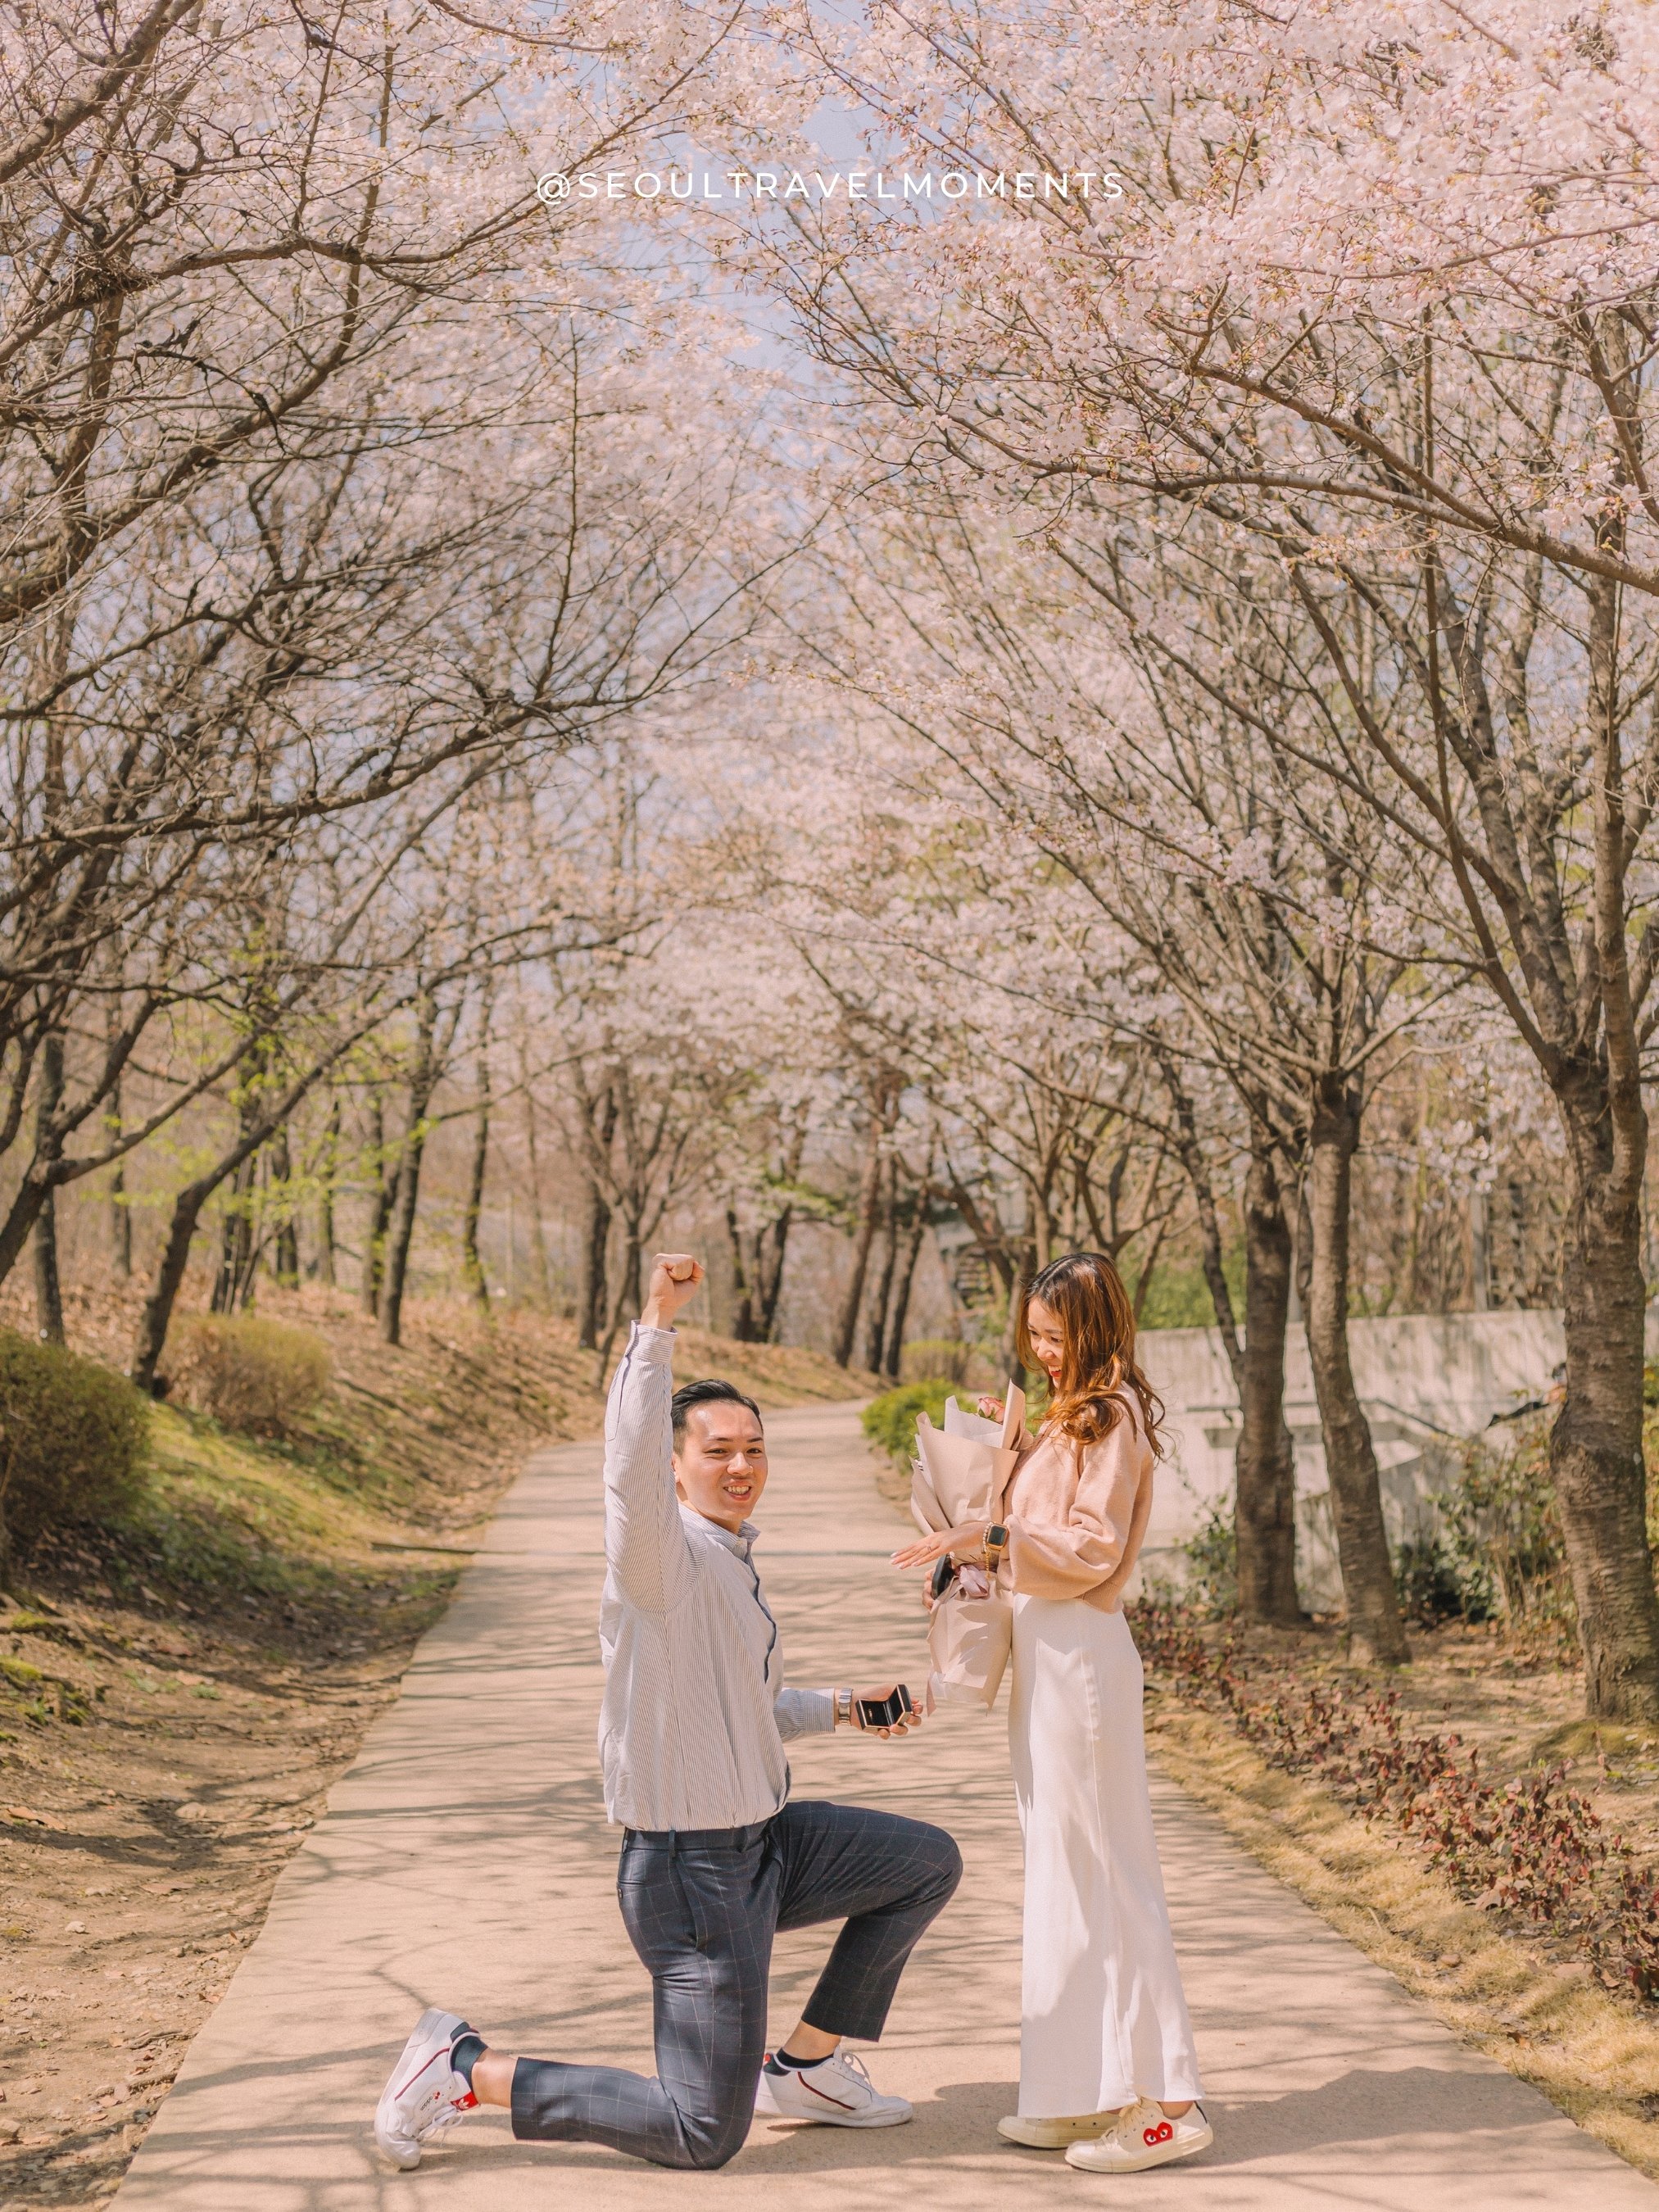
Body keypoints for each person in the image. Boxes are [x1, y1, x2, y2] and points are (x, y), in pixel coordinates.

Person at [374, 1250, 961, 2174]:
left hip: (763, 1846)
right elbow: (625, 1474)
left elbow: (743, 1709)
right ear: (677, 1465)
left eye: (754, 1448)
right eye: (717, 1450)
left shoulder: (728, 1556)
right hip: (693, 1881)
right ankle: (463, 2068)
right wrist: (655, 1322)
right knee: (701, 2133)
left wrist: (848, 1709)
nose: (740, 1465)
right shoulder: (659, 1563)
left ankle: (805, 2068)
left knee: (925, 1863)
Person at [892, 1249, 1209, 2175]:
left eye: (1057, 1336)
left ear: (1097, 1329)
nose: (1042, 1352)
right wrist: (1009, 1456)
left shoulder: (1108, 1419)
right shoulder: (1067, 1418)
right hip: (1046, 1655)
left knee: (1110, 1872)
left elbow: (1090, 1545)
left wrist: (987, 1531)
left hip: (1081, 1657)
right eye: (1032, 1335)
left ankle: (1171, 2106)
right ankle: (1086, 2092)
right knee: (1062, 1871)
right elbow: (1031, 1529)